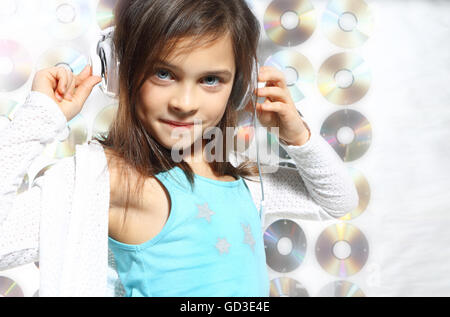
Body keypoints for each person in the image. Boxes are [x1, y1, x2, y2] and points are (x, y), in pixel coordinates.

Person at [0, 0, 358, 297]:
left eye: (211, 79)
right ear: (120, 71)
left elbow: (337, 202)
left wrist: (296, 135)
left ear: (242, 86)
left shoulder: (242, 178)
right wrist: (38, 120)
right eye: (164, 73)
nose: (185, 103)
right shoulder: (110, 179)